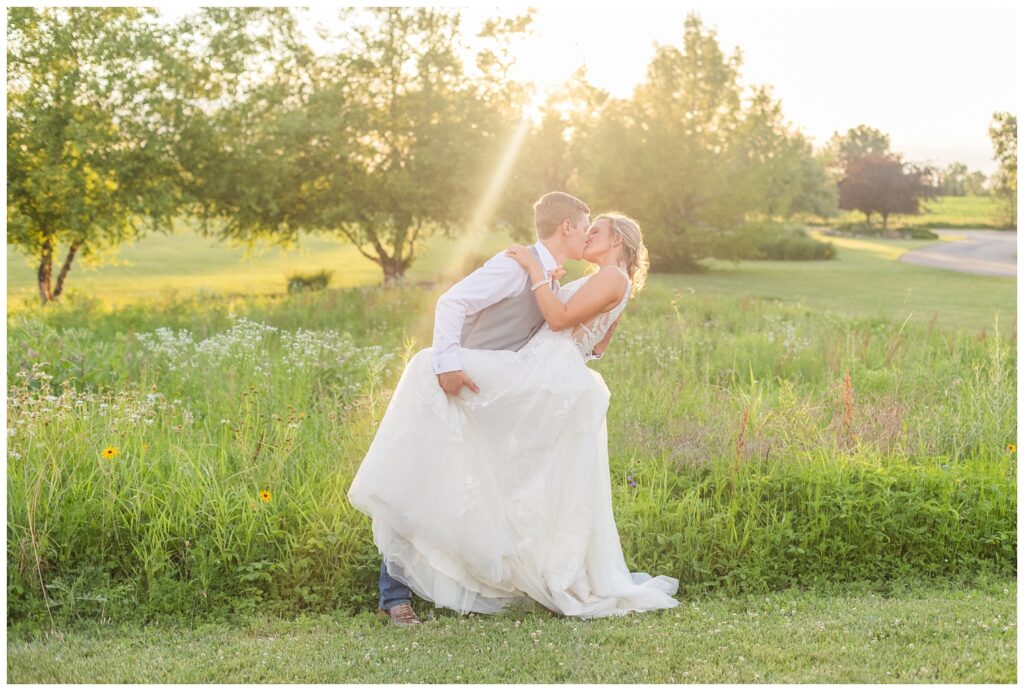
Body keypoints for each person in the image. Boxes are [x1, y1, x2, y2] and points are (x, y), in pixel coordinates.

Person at [347, 201, 679, 624]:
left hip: (541, 375)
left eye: (596, 231)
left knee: (422, 370)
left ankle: (405, 576)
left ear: (615, 240)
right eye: (586, 229)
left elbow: (559, 323)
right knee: (498, 478)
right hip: (548, 374)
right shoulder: (609, 280)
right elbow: (595, 346)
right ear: (567, 227)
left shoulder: (610, 277)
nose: (589, 236)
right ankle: (419, 581)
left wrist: (536, 271)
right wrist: (553, 287)